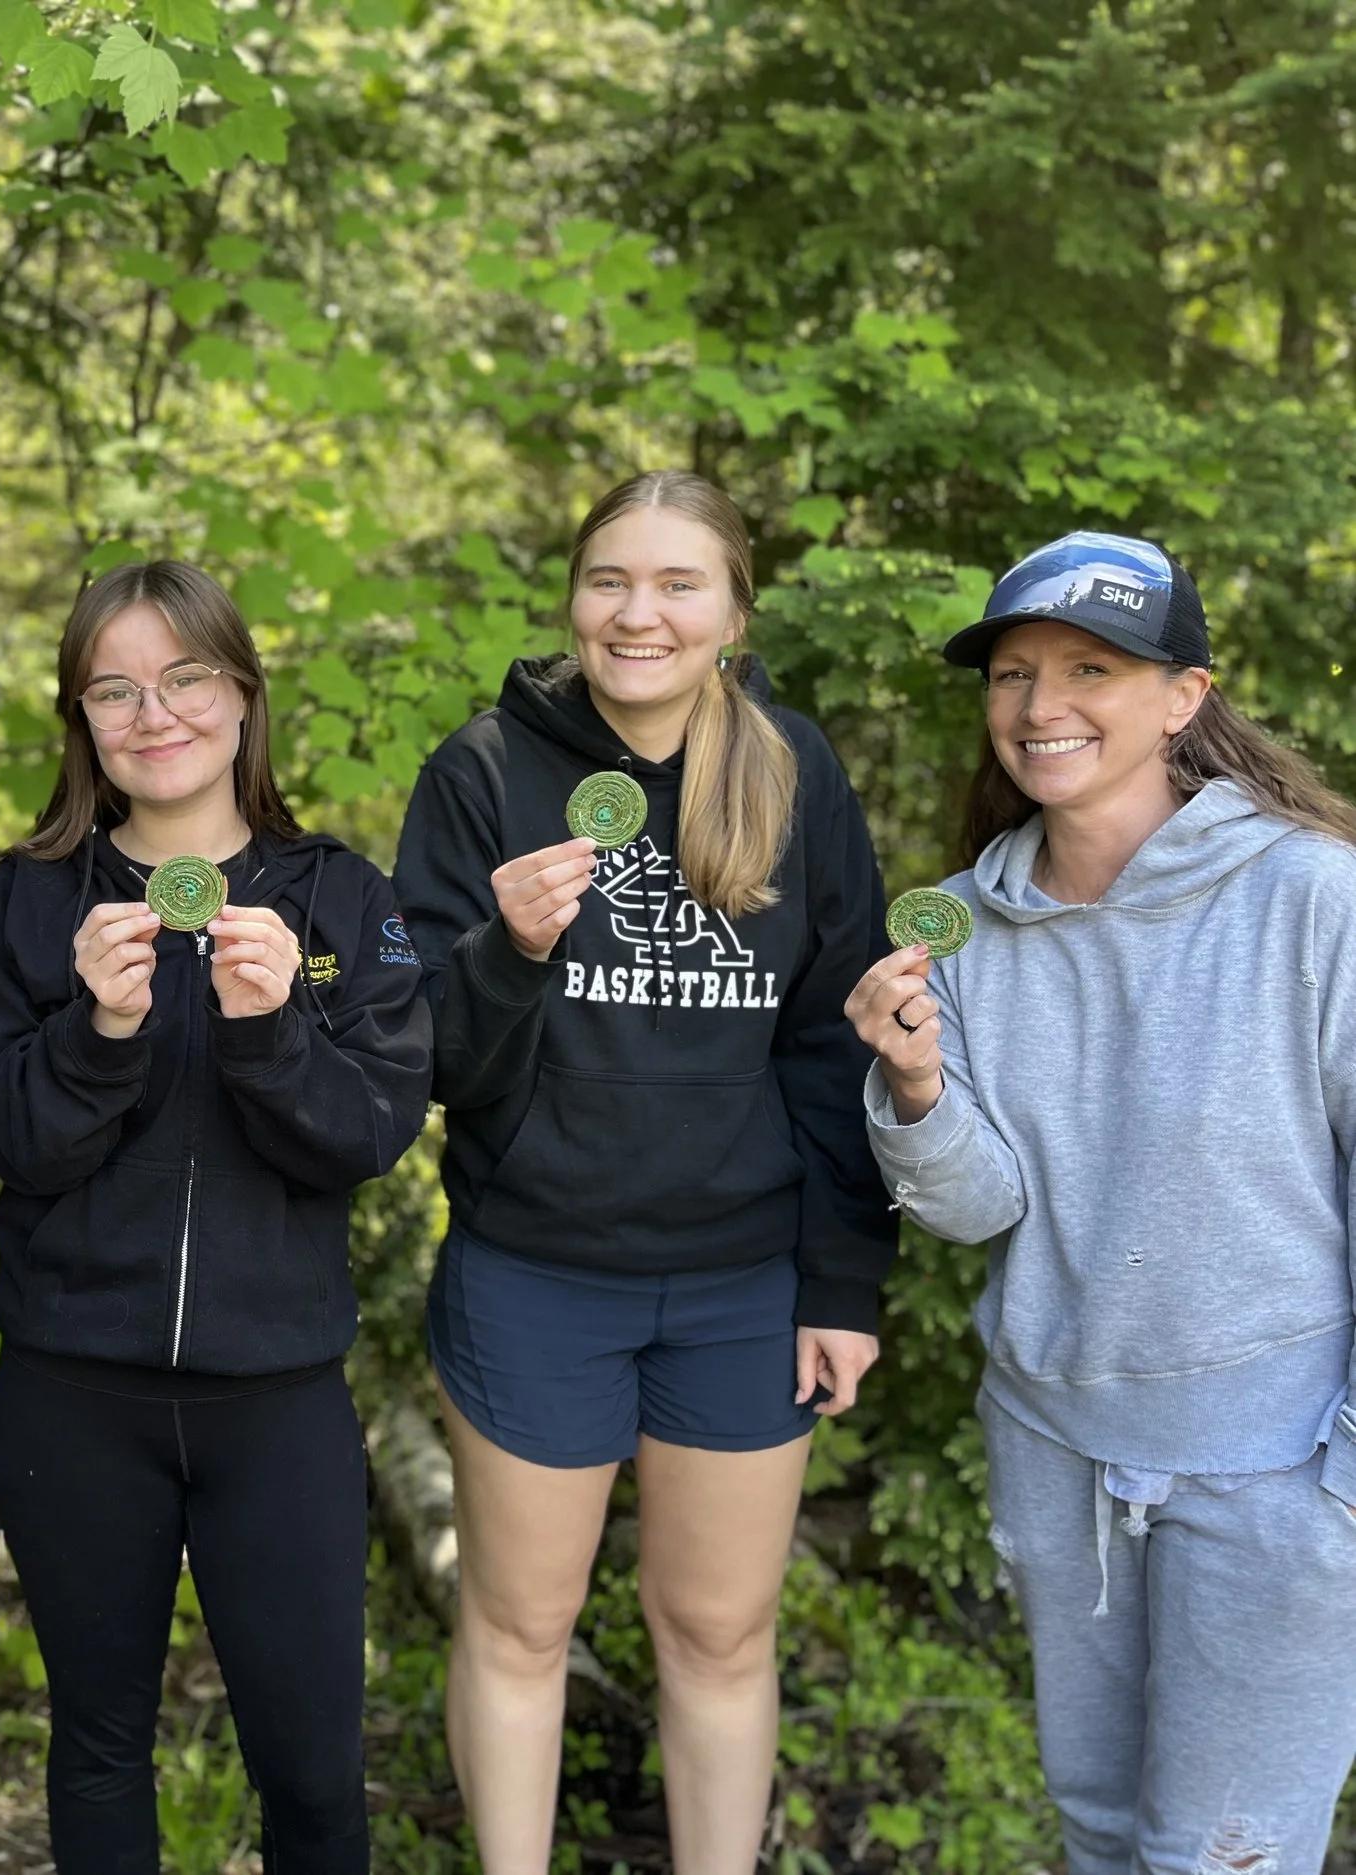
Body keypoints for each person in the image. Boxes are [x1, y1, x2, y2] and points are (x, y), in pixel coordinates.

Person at [392, 471, 896, 1873]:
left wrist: (843, 1280)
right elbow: (422, 1052)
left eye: (681, 583)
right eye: (612, 577)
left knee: (721, 1629)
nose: (641, 611)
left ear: (734, 610)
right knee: (518, 1623)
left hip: (745, 1284)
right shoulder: (485, 770)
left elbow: (830, 1043)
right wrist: (509, 952)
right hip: (535, 1273)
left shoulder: (792, 771)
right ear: (573, 594)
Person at [847, 532, 1356, 1875]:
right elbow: (977, 1206)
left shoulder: (1314, 896)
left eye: (1090, 668)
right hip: (1056, 1450)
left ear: (1183, 696)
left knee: (1222, 1855)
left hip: (1278, 1469)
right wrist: (913, 1083)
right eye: (1012, 673)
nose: (1039, 705)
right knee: (1104, 1833)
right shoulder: (963, 922)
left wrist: (1343, 1490)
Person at [0, 560, 432, 1874]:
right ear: (82, 716)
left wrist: (276, 1029)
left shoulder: (343, 898)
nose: (152, 712)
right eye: (115, 686)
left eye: (185, 678)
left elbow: (372, 1135)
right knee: (99, 1741)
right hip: (71, 1396)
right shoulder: (32, 898)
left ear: (242, 694)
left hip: (275, 1401)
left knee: (314, 1764)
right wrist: (96, 1032)